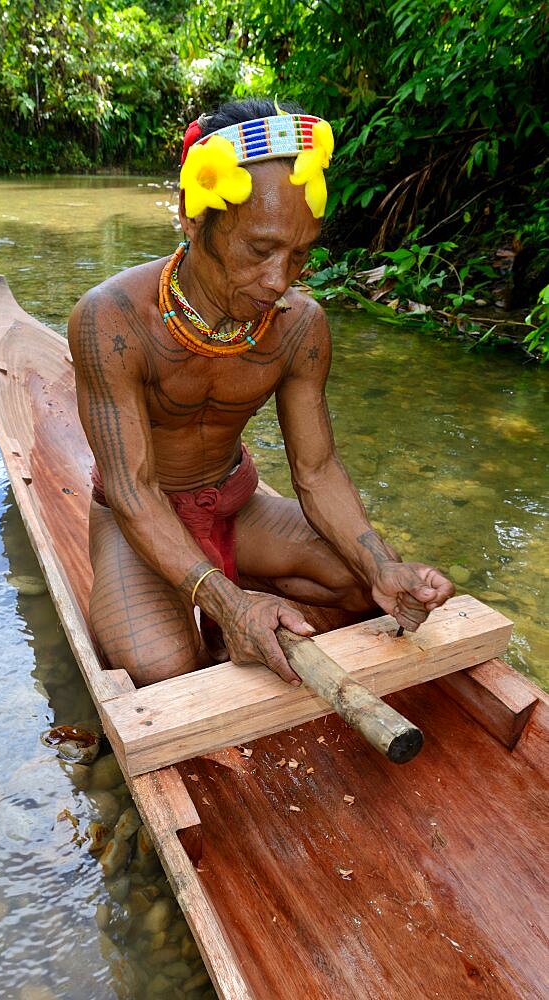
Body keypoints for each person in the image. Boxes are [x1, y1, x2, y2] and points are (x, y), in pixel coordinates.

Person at [68, 98, 454, 687]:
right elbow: (133, 489)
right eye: (259, 249)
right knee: (163, 666)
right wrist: (230, 604)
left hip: (237, 507)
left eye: (299, 254)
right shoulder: (112, 319)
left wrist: (381, 566)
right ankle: (222, 606)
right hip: (138, 519)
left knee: (365, 584)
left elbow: (318, 470)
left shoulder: (301, 325)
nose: (279, 280)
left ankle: (242, 599)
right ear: (193, 217)